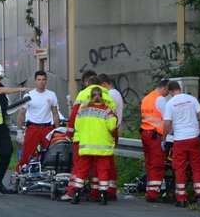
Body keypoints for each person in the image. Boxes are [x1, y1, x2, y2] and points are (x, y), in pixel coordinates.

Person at [63, 71, 116, 200]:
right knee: (101, 169)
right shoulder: (109, 98)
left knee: (80, 168)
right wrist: (114, 138)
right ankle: (97, 193)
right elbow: (113, 124)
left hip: (84, 141)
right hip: (103, 142)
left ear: (88, 84)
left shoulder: (82, 97)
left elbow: (75, 118)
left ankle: (73, 192)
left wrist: (70, 134)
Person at [0, 63, 29, 196]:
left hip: (2, 127)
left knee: (7, 152)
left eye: (0, 78)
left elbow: (6, 107)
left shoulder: (3, 89)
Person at [162, 81, 200, 207]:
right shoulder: (191, 99)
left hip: (180, 139)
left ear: (170, 92)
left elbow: (166, 123)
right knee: (197, 167)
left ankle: (181, 198)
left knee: (180, 168)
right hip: (194, 137)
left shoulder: (170, 103)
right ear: (180, 88)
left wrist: (164, 138)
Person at [15, 70, 60, 169]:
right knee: (26, 154)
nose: (41, 82)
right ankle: (18, 175)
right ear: (35, 81)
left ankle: (48, 174)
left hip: (47, 128)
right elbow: (21, 114)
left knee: (50, 153)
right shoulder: (29, 95)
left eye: (43, 79)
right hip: (33, 127)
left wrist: (58, 130)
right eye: (39, 79)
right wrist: (19, 131)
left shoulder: (51, 95)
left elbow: (55, 114)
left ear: (46, 81)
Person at [139, 79, 170, 202]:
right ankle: (153, 193)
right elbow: (167, 118)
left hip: (145, 132)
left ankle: (150, 189)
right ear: (165, 87)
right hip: (155, 135)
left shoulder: (146, 98)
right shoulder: (160, 99)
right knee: (157, 164)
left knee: (150, 163)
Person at [98, 74, 123, 200]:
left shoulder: (110, 95)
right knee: (109, 162)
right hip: (114, 129)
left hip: (109, 130)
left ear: (103, 84)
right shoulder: (117, 93)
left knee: (105, 162)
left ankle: (107, 189)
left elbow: (108, 114)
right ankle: (111, 187)